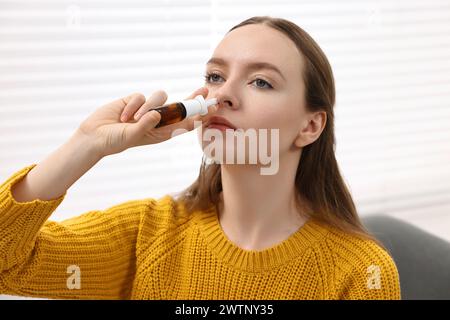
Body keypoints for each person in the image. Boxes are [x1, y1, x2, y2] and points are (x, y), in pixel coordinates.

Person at [0, 16, 401, 299]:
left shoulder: (358, 273)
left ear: (310, 126)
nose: (222, 94)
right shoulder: (148, 235)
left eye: (261, 81)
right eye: (214, 76)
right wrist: (86, 145)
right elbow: (6, 264)